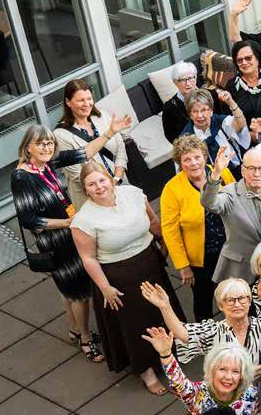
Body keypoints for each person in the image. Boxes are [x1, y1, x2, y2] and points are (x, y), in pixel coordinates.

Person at [10, 116, 130, 363]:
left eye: (49, 143)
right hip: (56, 241)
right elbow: (28, 219)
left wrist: (110, 132)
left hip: (68, 232)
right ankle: (86, 339)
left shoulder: (46, 164)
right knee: (80, 293)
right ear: (28, 147)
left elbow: (84, 153)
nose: (47, 147)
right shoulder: (22, 178)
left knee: (68, 288)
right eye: (41, 144)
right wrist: (66, 223)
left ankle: (75, 330)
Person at [70, 163, 181, 393]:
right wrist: (105, 288)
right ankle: (146, 372)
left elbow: (154, 223)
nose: (99, 187)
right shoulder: (83, 221)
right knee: (135, 323)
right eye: (91, 184)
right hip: (118, 278)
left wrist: (166, 248)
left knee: (161, 312)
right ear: (85, 189)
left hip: (150, 264)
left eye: (102, 180)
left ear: (110, 179)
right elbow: (88, 258)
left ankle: (172, 352)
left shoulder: (133, 194)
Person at [142, 278, 261, 415]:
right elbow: (182, 333)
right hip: (229, 411)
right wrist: (165, 306)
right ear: (221, 305)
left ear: (249, 301)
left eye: (242, 298)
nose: (237, 304)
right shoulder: (214, 332)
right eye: (230, 300)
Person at [160, 135, 234, 322]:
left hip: (232, 248)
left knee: (239, 291)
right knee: (203, 301)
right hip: (202, 258)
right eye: (187, 159)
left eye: (197, 157)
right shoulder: (172, 189)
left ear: (204, 156)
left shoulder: (222, 173)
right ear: (180, 163)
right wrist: (183, 266)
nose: (193, 163)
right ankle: (207, 335)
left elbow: (237, 204)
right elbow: (170, 231)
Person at [200, 147, 261, 283]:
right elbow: (210, 203)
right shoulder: (229, 193)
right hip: (240, 269)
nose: (257, 173)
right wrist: (216, 174)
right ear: (242, 170)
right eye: (251, 168)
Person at [53, 79, 128, 209]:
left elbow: (120, 149)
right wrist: (106, 187)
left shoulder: (102, 116)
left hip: (120, 185)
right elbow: (77, 175)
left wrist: (117, 179)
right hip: (92, 198)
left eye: (89, 99)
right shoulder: (60, 135)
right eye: (81, 100)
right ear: (68, 102)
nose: (87, 104)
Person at [180, 88, 249, 173]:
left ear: (211, 111)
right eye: (195, 111)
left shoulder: (221, 122)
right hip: (209, 178)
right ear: (190, 115)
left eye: (203, 110)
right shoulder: (186, 138)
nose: (200, 115)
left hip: (236, 172)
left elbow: (241, 125)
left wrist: (231, 102)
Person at [222, 40, 261, 123]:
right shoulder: (232, 85)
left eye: (248, 58)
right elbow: (227, 118)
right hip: (245, 131)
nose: (244, 63)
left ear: (257, 58)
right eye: (239, 60)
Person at [162, 62, 204, 144]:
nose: (188, 83)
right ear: (175, 82)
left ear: (195, 78)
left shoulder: (208, 95)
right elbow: (170, 135)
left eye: (190, 78)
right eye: (183, 80)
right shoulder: (169, 107)